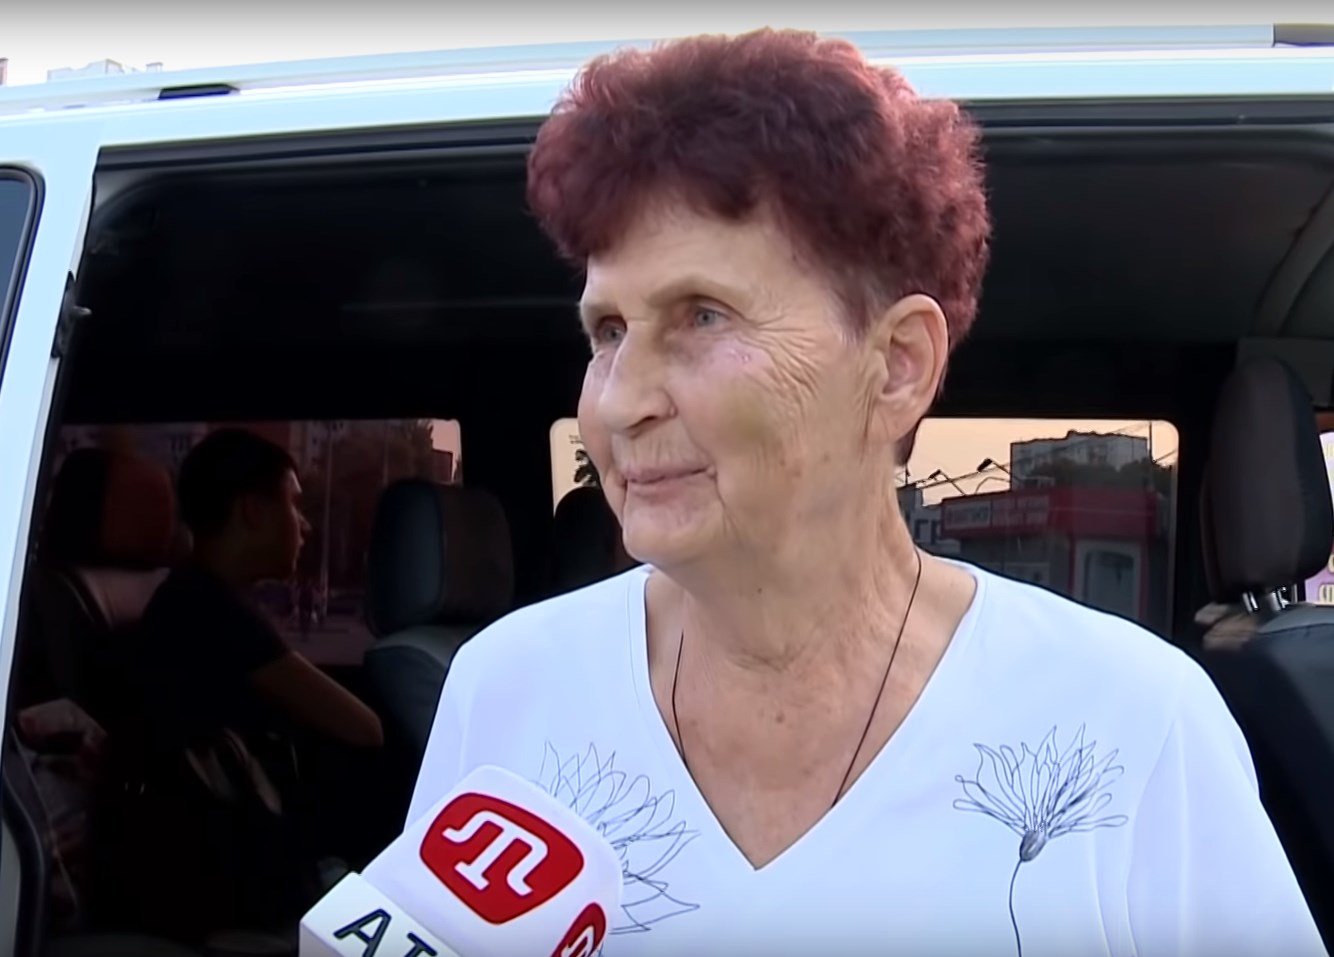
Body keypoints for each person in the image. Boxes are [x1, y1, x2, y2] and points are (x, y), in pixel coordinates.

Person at [408, 29, 1324, 956]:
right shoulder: (507, 689)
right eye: (608, 330)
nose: (619, 401)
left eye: (703, 315)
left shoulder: (1132, 724)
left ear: (897, 365)